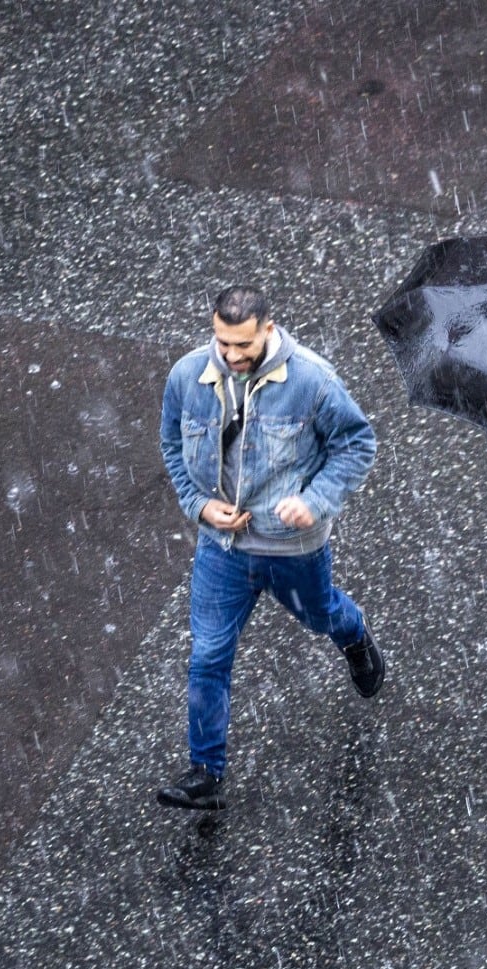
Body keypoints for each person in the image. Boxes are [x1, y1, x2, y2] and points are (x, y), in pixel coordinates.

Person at [156, 285, 383, 810]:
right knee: (208, 655)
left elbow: (357, 443)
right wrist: (197, 505)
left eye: (243, 344)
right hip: (221, 546)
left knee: (323, 614)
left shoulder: (312, 380)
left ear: (269, 329)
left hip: (292, 548)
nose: (232, 355)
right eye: (222, 342)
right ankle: (205, 770)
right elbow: (171, 443)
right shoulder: (187, 376)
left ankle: (356, 638)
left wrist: (317, 500)